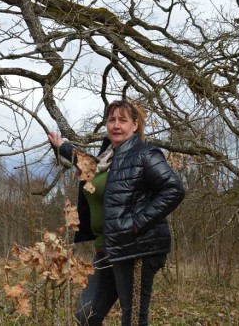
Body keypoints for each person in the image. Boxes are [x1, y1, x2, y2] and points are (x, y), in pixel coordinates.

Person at [48, 99, 185, 326]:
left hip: (135, 248)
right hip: (107, 248)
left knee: (132, 318)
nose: (116, 125)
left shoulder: (145, 154)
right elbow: (88, 165)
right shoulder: (108, 158)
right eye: (111, 120)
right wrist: (63, 146)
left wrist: (135, 223)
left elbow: (174, 189)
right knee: (86, 313)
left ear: (135, 125)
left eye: (123, 120)